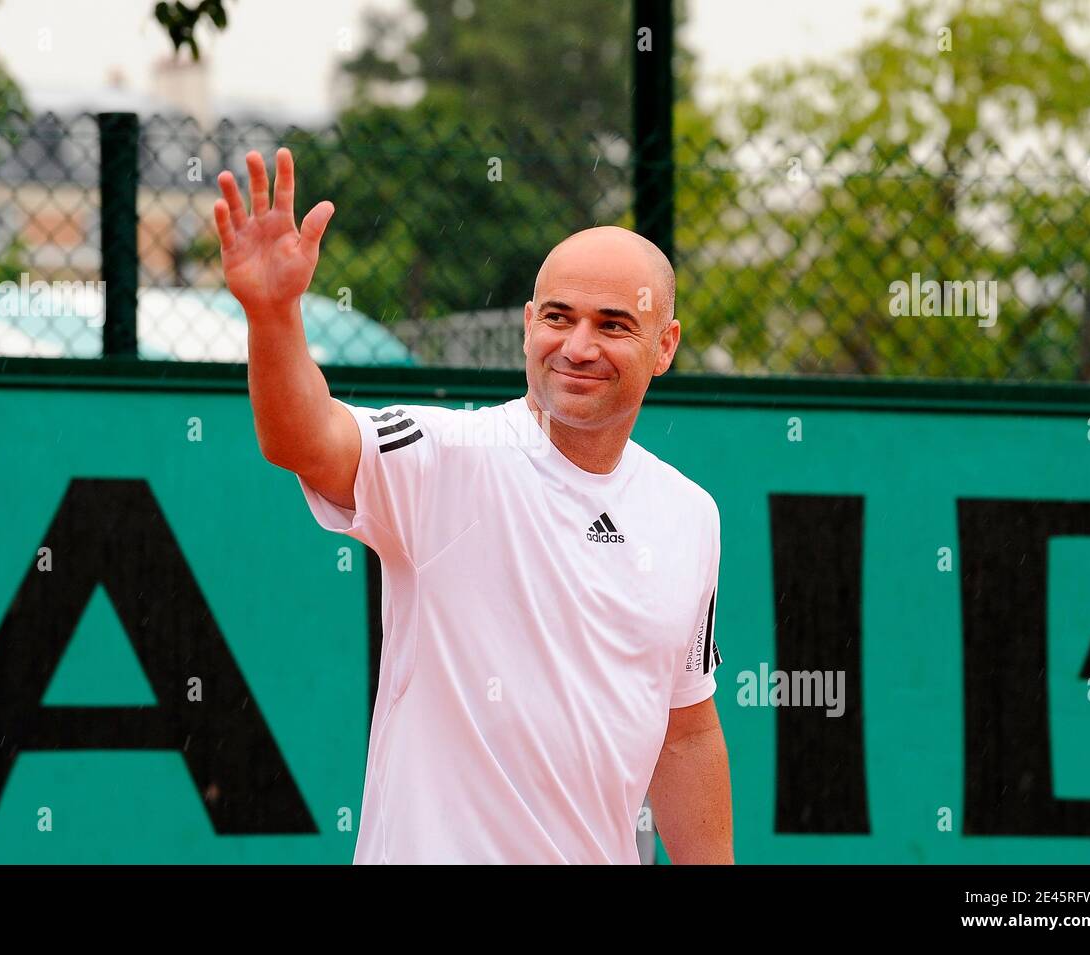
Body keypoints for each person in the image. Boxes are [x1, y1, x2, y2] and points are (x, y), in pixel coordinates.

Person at [213, 147, 733, 864]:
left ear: (664, 344)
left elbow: (685, 728)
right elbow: (305, 438)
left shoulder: (690, 514)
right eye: (559, 316)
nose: (577, 346)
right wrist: (273, 315)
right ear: (527, 324)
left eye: (613, 324)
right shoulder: (442, 455)